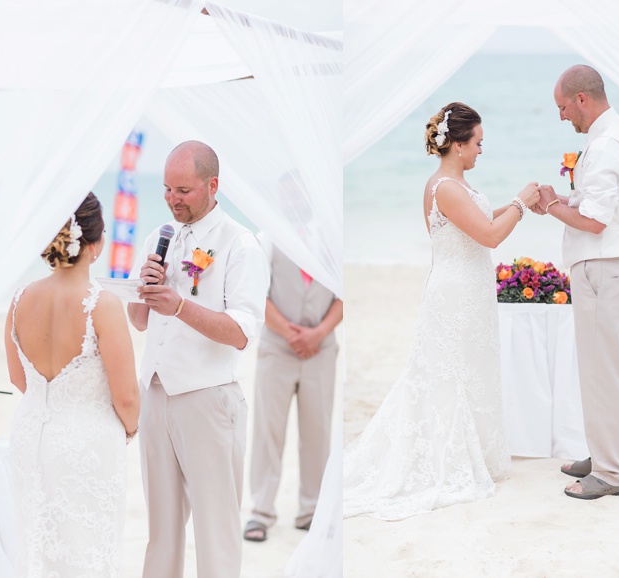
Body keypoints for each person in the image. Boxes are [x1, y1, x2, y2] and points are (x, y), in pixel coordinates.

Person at [342, 102, 540, 520]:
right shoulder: (446, 188)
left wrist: (517, 204)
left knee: (467, 370)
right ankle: (447, 459)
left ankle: (476, 454)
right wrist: (521, 205)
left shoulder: (453, 186)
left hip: (468, 290)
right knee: (447, 374)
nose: (482, 151)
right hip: (455, 294)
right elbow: (488, 236)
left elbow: (482, 219)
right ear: (457, 144)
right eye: (478, 143)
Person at [128, 141, 268, 578]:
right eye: (168, 189)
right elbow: (138, 320)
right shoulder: (158, 237)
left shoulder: (240, 244)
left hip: (208, 399)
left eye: (183, 190)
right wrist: (147, 291)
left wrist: (179, 307)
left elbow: (242, 332)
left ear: (213, 185)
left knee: (216, 532)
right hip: (155, 394)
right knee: (161, 531)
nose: (172, 199)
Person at [4, 192, 140, 577]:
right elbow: (127, 396)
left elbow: (19, 377)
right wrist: (128, 429)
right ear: (96, 244)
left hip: (30, 434)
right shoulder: (103, 303)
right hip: (86, 442)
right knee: (87, 549)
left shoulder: (18, 299)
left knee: (35, 545)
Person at [536, 65, 619, 499]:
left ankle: (614, 475)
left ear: (582, 99)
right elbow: (598, 204)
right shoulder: (610, 136)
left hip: (603, 267)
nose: (562, 116)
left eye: (563, 107)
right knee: (601, 372)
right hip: (608, 268)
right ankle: (602, 457)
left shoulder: (606, 144)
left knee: (605, 376)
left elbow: (596, 222)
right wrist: (565, 198)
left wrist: (550, 207)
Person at [243, 235, 343, 542]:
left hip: (321, 350)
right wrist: (291, 334)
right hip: (277, 348)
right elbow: (257, 293)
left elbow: (343, 295)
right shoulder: (269, 240)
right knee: (267, 431)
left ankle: (311, 510)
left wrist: (318, 333)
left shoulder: (332, 238)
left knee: (317, 431)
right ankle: (261, 511)